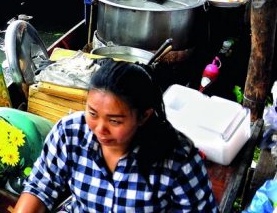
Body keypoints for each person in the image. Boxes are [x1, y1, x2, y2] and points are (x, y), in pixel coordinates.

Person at [13, 59, 217, 213]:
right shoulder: (70, 132)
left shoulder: (177, 158)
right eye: (92, 113)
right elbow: (41, 186)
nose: (100, 128)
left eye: (115, 121)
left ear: (143, 116)